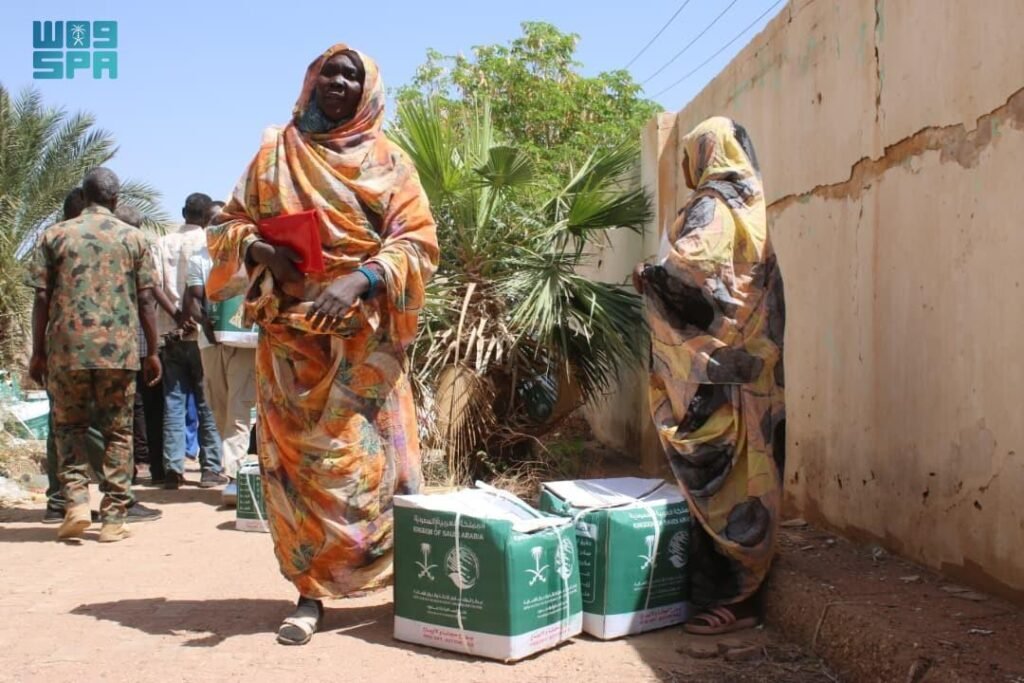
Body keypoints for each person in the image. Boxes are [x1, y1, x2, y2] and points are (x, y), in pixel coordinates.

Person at [207, 44, 438, 645]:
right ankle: (310, 594)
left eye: (351, 75)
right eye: (328, 71)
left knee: (372, 466)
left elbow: (418, 243)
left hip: (364, 345)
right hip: (289, 346)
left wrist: (360, 279)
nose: (337, 81)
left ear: (368, 91)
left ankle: (401, 589)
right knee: (300, 472)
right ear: (311, 80)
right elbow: (227, 225)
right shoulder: (274, 154)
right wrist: (262, 250)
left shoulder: (391, 162)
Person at [633, 117, 785, 635]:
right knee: (751, 480)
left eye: (687, 157)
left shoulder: (713, 206)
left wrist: (647, 276)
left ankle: (735, 599)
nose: (683, 169)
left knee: (726, 489)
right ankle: (737, 586)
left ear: (704, 154)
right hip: (753, 374)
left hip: (720, 380)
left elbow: (690, 271)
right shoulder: (751, 208)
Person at [28, 168, 164, 542]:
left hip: (66, 350)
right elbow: (147, 300)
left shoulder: (54, 235)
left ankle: (74, 502)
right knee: (118, 431)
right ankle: (114, 518)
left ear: (84, 196)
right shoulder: (134, 238)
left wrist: (38, 352)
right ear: (115, 200)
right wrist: (152, 351)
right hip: (119, 352)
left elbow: (41, 297)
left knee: (68, 427)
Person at [184, 200, 258, 506]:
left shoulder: (249, 255)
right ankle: (236, 468)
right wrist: (206, 325)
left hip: (244, 343)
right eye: (213, 222)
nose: (218, 226)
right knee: (218, 406)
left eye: (223, 221)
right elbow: (193, 300)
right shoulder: (199, 259)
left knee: (239, 407)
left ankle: (234, 477)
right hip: (210, 342)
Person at [155, 193, 228, 489]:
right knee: (207, 399)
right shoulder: (209, 242)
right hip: (203, 332)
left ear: (184, 212)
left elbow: (153, 285)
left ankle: (173, 468)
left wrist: (175, 316)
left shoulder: (162, 244)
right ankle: (210, 468)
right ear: (207, 215)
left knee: (173, 401)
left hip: (170, 335)